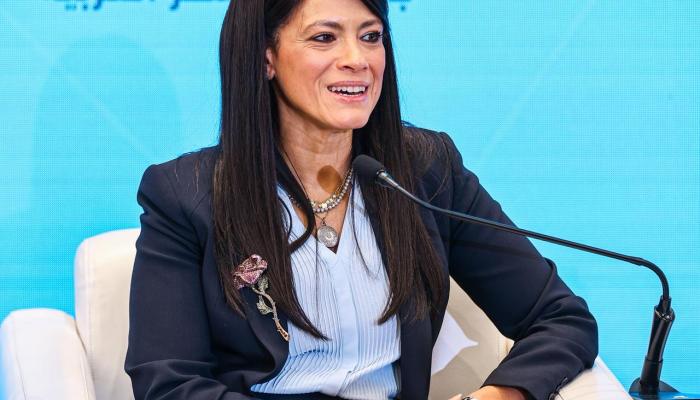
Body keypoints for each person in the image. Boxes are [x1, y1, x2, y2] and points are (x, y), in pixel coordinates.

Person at [124, 0, 598, 399]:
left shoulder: (425, 171)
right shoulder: (185, 195)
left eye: (371, 37)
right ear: (266, 57)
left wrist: (497, 397)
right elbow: (168, 384)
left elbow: (560, 319)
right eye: (324, 38)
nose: (357, 59)